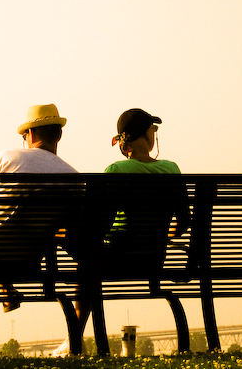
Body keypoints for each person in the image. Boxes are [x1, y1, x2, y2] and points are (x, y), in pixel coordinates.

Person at [52, 108, 190, 357]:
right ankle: (74, 339)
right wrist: (158, 239)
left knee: (78, 253)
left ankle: (74, 339)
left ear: (123, 140)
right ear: (145, 135)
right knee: (86, 257)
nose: (154, 135)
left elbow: (101, 226)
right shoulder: (172, 170)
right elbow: (183, 222)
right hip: (154, 260)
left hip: (115, 259)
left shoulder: (117, 171)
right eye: (152, 130)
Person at [0, 103, 77, 358]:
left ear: (29, 135)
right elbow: (72, 225)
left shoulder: (7, 157)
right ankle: (7, 287)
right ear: (58, 135)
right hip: (31, 259)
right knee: (14, 238)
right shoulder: (72, 176)